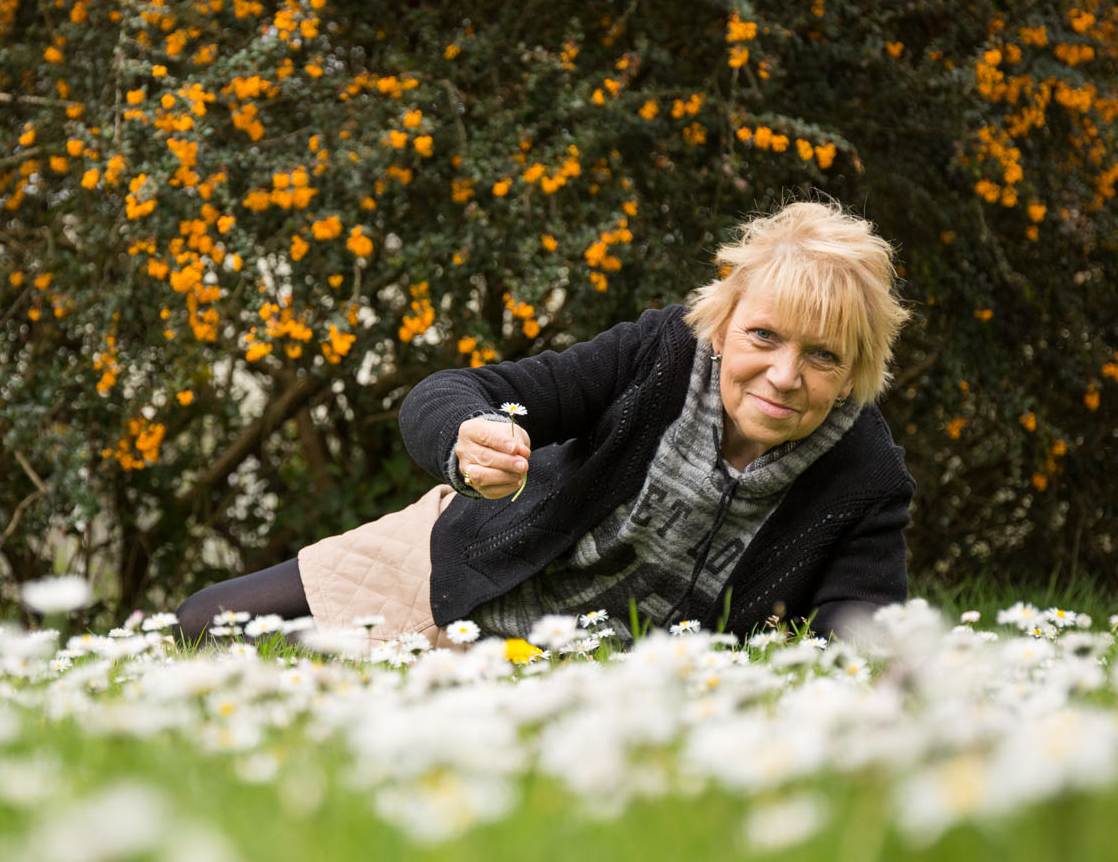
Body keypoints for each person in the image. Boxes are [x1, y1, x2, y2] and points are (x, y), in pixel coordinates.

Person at [177, 200, 914, 647]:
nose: (785, 375)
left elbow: (858, 620)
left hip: (583, 664)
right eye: (764, 337)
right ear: (723, 327)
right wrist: (468, 441)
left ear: (854, 370)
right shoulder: (659, 357)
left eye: (823, 355)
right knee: (205, 623)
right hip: (469, 562)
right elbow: (457, 391)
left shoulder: (865, 475)